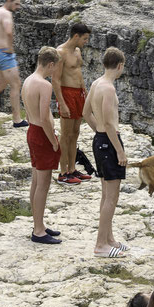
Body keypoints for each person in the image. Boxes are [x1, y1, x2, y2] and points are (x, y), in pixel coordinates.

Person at [83, 47, 130, 258]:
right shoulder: (109, 88)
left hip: (99, 140)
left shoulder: (95, 84)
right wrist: (119, 151)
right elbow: (111, 123)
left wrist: (98, 132)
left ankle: (109, 238)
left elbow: (86, 113)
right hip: (109, 142)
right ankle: (101, 244)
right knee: (111, 197)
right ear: (119, 66)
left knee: (106, 194)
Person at [22, 46, 63, 244]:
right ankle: (38, 231)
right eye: (56, 68)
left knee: (36, 182)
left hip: (32, 131)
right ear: (51, 64)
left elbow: (29, 114)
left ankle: (38, 223)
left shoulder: (28, 81)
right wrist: (54, 141)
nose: (55, 72)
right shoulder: (44, 85)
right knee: (43, 185)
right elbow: (45, 117)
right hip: (42, 134)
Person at [53, 22, 92, 185]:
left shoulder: (77, 51)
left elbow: (78, 73)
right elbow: (55, 80)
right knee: (66, 134)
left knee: (75, 133)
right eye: (84, 38)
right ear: (76, 36)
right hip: (67, 93)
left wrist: (86, 93)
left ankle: (72, 168)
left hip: (79, 94)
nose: (86, 42)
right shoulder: (60, 52)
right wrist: (63, 103)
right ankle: (63, 172)